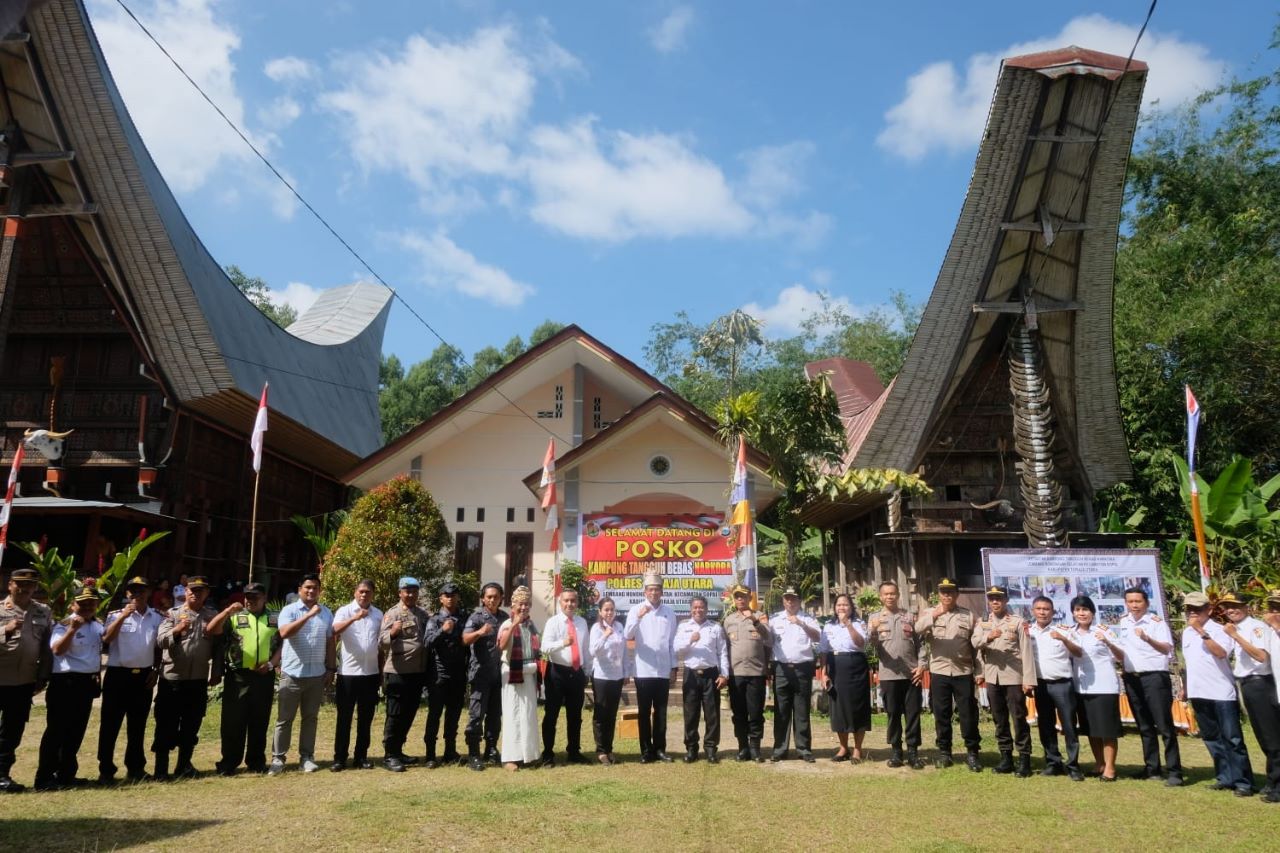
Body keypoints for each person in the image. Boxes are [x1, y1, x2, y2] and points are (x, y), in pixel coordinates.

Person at [1181, 591, 1254, 796]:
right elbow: (1190, 662)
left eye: (1197, 609)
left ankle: (1243, 782)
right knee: (1212, 737)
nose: (1192, 613)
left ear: (1209, 610)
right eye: (1189, 609)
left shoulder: (1220, 629)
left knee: (1232, 738)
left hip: (1221, 691)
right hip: (1198, 691)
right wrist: (1186, 687)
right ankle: (1225, 777)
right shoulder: (1187, 632)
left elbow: (1221, 653)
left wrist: (1201, 631)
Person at [154, 575, 226, 780]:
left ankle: (184, 766)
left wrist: (217, 670)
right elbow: (160, 641)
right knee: (166, 724)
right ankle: (161, 770)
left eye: (200, 590)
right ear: (185, 592)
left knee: (191, 724)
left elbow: (218, 647)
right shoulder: (173, 614)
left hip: (198, 679)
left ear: (207, 593)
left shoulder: (212, 616)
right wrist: (177, 630)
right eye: (192, 590)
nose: (196, 593)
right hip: (173, 679)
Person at [34, 587, 104, 790]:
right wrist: (72, 630)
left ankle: (66, 774)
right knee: (56, 731)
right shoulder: (64, 624)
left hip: (86, 683)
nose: (87, 606)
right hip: (65, 683)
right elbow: (57, 650)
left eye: (91, 603)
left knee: (76, 731)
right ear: (74, 604)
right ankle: (44, 778)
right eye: (82, 603)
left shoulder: (96, 626)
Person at [98, 576, 163, 783]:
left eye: (141, 590)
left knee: (137, 725)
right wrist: (123, 617)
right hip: (118, 675)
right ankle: (106, 769)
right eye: (133, 591)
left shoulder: (157, 617)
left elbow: (159, 647)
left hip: (143, 676)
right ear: (127, 594)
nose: (137, 594)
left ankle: (135, 767)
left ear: (149, 592)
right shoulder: (115, 615)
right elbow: (106, 639)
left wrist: (156, 669)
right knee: (110, 724)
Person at [1116, 586, 1182, 786]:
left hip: (1154, 678)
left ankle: (1174, 772)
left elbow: (1166, 649)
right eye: (1130, 601)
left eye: (1138, 601)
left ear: (1146, 602)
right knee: (1144, 725)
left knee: (1164, 726)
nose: (1134, 605)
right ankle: (1152, 768)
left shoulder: (1156, 622)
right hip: (1132, 678)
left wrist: (1147, 638)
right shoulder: (1123, 621)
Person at [270, 573, 335, 775]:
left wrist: (331, 668)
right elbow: (285, 633)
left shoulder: (326, 613)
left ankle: (307, 757)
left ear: (319, 590)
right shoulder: (289, 610)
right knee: (284, 719)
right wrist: (308, 615)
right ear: (300, 590)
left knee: (310, 718)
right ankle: (278, 759)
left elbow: (330, 642)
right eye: (307, 587)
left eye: (315, 587)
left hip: (316, 675)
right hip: (292, 673)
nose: (311, 591)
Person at [915, 578, 981, 771]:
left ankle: (972, 753)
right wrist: (935, 614)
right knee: (941, 714)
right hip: (939, 672)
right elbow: (917, 629)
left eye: (951, 592)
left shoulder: (968, 615)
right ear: (939, 594)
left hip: (963, 671)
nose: (947, 595)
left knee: (968, 714)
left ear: (957, 594)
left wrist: (979, 671)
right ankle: (945, 752)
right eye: (944, 592)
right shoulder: (929, 612)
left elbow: (975, 646)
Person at [1220, 590, 1279, 801]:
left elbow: (1262, 657)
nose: (1230, 610)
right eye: (1227, 606)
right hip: (1248, 685)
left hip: (1261, 684)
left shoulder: (1255, 627)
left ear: (1247, 606)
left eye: (1235, 605)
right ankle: (1273, 781)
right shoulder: (1237, 627)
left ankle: (1277, 785)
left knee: (1271, 738)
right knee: (1264, 737)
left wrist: (1235, 636)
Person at [973, 585, 1037, 777]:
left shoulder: (1017, 622)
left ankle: (1024, 759)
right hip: (993, 677)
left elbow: (1026, 652)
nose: (995, 602)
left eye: (999, 598)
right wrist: (988, 637)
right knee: (999, 719)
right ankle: (1006, 757)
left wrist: (1028, 679)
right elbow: (975, 643)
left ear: (1006, 600)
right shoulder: (983, 622)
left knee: (1018, 718)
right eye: (992, 598)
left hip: (1014, 677)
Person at [216, 581, 278, 776]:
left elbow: (285, 643)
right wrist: (227, 611)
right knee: (233, 721)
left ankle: (256, 760)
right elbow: (215, 634)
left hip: (264, 676)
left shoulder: (275, 618)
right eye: (247, 597)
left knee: (260, 720)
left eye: (255, 597)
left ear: (264, 598)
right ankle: (229, 762)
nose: (250, 601)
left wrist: (271, 664)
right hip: (238, 676)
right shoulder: (235, 617)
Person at [1058, 595, 1123, 782]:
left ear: (1092, 612)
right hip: (1081, 688)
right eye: (1077, 610)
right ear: (1072, 613)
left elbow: (1120, 656)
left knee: (1107, 730)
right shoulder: (1071, 632)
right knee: (1091, 729)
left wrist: (1108, 642)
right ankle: (1099, 763)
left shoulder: (1103, 631)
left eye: (1085, 610)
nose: (1081, 613)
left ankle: (1110, 768)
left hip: (1104, 687)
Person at [0, 567, 52, 793]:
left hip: (23, 681)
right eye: (19, 583)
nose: (24, 588)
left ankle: (2, 774)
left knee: (12, 731)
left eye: (30, 585)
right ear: (9, 584)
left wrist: (43, 675)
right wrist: (5, 630)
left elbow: (46, 648)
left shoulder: (43, 611)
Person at [1027, 595, 1084, 781]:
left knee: (1069, 726)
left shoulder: (1063, 630)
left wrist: (1063, 639)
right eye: (1039, 609)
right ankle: (1053, 762)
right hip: (1041, 685)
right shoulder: (1028, 631)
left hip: (1062, 684)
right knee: (1045, 725)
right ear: (1033, 611)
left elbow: (1078, 652)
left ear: (1053, 612)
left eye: (1046, 609)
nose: (1042, 612)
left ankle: (1073, 765)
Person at [868, 580, 924, 769]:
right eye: (886, 594)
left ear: (898, 595)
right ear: (880, 596)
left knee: (913, 714)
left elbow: (921, 643)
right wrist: (874, 630)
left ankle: (913, 753)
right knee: (893, 714)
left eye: (893, 593)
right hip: (889, 674)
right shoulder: (875, 618)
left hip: (911, 674)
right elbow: (870, 646)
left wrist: (922, 665)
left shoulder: (909, 617)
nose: (889, 597)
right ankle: (896, 752)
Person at [624, 571, 677, 763]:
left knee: (661, 711)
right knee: (644, 711)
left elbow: (671, 643)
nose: (654, 593)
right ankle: (646, 750)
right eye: (650, 589)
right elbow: (628, 635)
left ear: (662, 591)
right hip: (643, 670)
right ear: (645, 592)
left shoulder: (669, 612)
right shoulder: (635, 609)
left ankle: (660, 749)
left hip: (662, 670)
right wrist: (638, 617)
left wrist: (674, 667)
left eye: (657, 589)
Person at [379, 576, 429, 772]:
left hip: (417, 672)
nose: (410, 594)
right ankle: (389, 755)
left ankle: (398, 751)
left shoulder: (422, 614)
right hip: (397, 672)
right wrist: (392, 632)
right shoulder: (392, 614)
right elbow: (381, 642)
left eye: (414, 591)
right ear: (400, 593)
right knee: (395, 714)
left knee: (409, 713)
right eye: (407, 591)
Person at [332, 579, 382, 772]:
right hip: (348, 674)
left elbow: (380, 645)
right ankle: (340, 758)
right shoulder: (345, 611)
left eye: (368, 592)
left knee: (365, 718)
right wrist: (354, 618)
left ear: (372, 594)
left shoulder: (378, 614)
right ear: (355, 592)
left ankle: (361, 756)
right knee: (344, 717)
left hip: (370, 674)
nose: (364, 595)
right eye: (361, 591)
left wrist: (380, 672)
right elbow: (333, 630)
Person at [674, 595, 729, 764]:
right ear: (690, 609)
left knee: (712, 714)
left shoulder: (715, 627)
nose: (698, 610)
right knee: (691, 714)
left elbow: (723, 652)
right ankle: (691, 749)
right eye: (695, 607)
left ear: (707, 609)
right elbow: (676, 650)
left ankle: (711, 749)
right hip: (691, 674)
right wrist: (690, 640)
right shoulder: (684, 627)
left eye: (701, 607)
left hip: (711, 674)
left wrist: (724, 674)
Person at [769, 586, 820, 763]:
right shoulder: (774, 619)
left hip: (802, 669)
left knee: (801, 710)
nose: (790, 601)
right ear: (783, 600)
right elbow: (768, 641)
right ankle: (780, 749)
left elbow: (817, 637)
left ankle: (803, 749)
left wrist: (801, 624)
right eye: (787, 598)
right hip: (781, 669)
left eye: (793, 598)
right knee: (781, 711)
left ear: (799, 601)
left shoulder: (809, 618)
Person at [540, 588, 591, 766]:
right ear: (560, 602)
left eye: (573, 601)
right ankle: (547, 753)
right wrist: (563, 643)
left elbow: (585, 649)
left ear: (577, 603)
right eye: (566, 601)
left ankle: (574, 752)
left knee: (575, 715)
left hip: (577, 673)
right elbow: (544, 647)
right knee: (551, 715)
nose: (570, 604)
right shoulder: (553, 622)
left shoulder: (582, 622)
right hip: (557, 673)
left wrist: (588, 670)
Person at [722, 584, 771, 762]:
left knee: (756, 713)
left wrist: (755, 621)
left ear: (750, 598)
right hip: (736, 674)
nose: (740, 599)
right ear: (734, 600)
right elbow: (724, 648)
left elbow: (769, 639)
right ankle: (743, 747)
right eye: (737, 597)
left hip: (756, 673)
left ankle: (755, 748)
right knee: (739, 713)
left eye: (743, 596)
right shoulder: (729, 621)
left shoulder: (760, 616)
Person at [819, 593, 870, 763]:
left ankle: (857, 749)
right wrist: (824, 673)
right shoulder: (828, 625)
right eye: (839, 605)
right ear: (834, 608)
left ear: (851, 607)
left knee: (857, 706)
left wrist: (848, 624)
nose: (842, 608)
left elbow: (861, 643)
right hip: (835, 666)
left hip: (856, 665)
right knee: (838, 707)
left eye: (845, 605)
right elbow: (824, 651)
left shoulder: (859, 623)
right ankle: (843, 748)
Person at [462, 582, 506, 771]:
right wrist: (480, 632)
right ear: (483, 598)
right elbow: (465, 639)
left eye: (496, 596)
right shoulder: (476, 617)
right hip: (480, 675)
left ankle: (491, 748)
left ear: (501, 598)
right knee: (476, 715)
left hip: (499, 674)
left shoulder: (505, 617)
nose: (492, 600)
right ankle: (474, 754)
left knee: (495, 715)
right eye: (489, 596)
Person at [423, 581, 467, 768]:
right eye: (446, 595)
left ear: (458, 597)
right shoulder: (434, 620)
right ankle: (431, 755)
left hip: (458, 673)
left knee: (454, 715)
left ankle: (450, 751)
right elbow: (427, 643)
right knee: (434, 714)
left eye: (454, 595)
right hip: (439, 674)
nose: (450, 598)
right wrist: (443, 630)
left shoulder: (465, 618)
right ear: (441, 598)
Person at [497, 586, 540, 770]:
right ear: (513, 605)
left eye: (527, 604)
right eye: (520, 604)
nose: (524, 608)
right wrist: (514, 623)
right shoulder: (507, 624)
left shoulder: (531, 625)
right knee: (513, 714)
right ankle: (510, 758)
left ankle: (528, 755)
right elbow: (501, 645)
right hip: (512, 674)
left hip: (528, 672)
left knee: (528, 714)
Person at [588, 596, 628, 765]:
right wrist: (604, 635)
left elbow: (624, 651)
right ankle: (601, 751)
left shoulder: (619, 626)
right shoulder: (597, 628)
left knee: (611, 714)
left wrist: (626, 673)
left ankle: (609, 748)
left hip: (617, 676)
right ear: (600, 612)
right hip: (602, 676)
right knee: (601, 714)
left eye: (612, 609)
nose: (609, 612)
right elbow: (592, 651)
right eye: (606, 609)